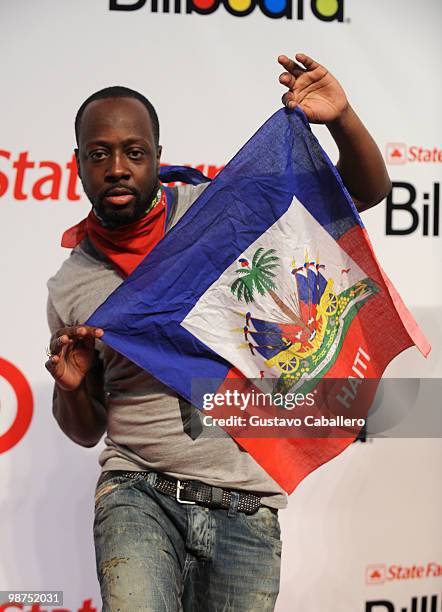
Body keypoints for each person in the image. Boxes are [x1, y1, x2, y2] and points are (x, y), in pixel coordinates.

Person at [45, 53, 391, 612]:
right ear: (79, 162)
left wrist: (343, 118)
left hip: (247, 508)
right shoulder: (72, 284)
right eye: (98, 153)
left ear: (156, 158)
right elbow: (86, 431)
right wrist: (70, 387)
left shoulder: (216, 213)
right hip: (138, 492)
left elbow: (362, 192)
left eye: (133, 153)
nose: (116, 168)